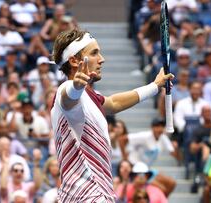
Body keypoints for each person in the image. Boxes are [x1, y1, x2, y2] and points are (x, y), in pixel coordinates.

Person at [50, 29, 173, 202]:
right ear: (74, 61)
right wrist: (76, 87)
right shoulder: (67, 89)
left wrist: (155, 86)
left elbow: (114, 103)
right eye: (94, 53)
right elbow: (68, 99)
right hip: (87, 197)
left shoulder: (90, 96)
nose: (102, 59)